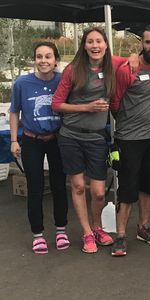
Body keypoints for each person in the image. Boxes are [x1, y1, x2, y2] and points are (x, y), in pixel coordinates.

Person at [51, 27, 129, 253]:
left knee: (98, 192)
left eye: (99, 41)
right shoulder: (73, 70)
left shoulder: (112, 64)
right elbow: (56, 104)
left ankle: (97, 227)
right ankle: (87, 232)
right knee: (77, 186)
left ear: (106, 45)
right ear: (84, 46)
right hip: (71, 137)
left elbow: (133, 59)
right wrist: (86, 107)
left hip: (96, 138)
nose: (95, 46)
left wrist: (134, 58)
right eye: (90, 42)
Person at [110, 24, 150, 256]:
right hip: (129, 139)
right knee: (127, 188)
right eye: (148, 42)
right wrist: (126, 123)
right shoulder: (127, 69)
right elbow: (115, 103)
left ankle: (143, 227)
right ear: (141, 44)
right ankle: (120, 235)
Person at [9, 42, 69, 254]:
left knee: (59, 185)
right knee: (35, 187)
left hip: (56, 139)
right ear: (34, 59)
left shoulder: (63, 81)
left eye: (48, 56)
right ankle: (38, 233)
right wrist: (14, 140)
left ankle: (61, 229)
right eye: (39, 56)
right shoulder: (22, 83)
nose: (43, 61)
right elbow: (14, 111)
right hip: (31, 140)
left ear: (55, 60)